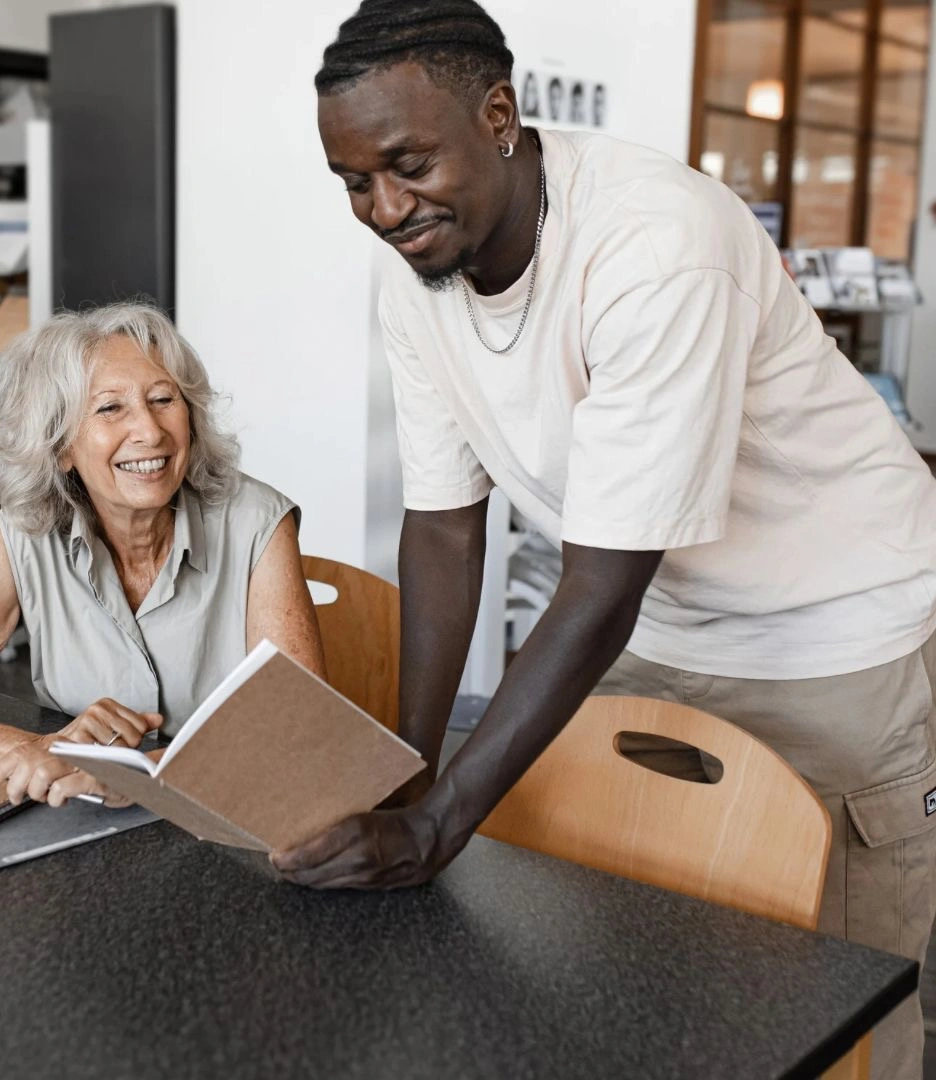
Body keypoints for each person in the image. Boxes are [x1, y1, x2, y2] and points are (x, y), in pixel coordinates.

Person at [274, 2, 936, 1077]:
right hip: (663, 618)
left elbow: (599, 583)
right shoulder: (420, 276)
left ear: (498, 114)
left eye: (407, 164)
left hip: (831, 636)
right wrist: (410, 772)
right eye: (355, 182)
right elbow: (444, 530)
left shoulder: (654, 243)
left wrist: (441, 827)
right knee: (636, 959)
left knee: (835, 1005)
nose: (387, 208)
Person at [0, 302, 325, 807]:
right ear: (61, 445)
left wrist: (137, 772)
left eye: (164, 399)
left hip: (230, 811)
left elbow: (296, 729)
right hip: (81, 820)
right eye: (110, 408)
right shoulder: (25, 534)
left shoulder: (257, 522)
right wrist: (42, 749)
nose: (150, 431)